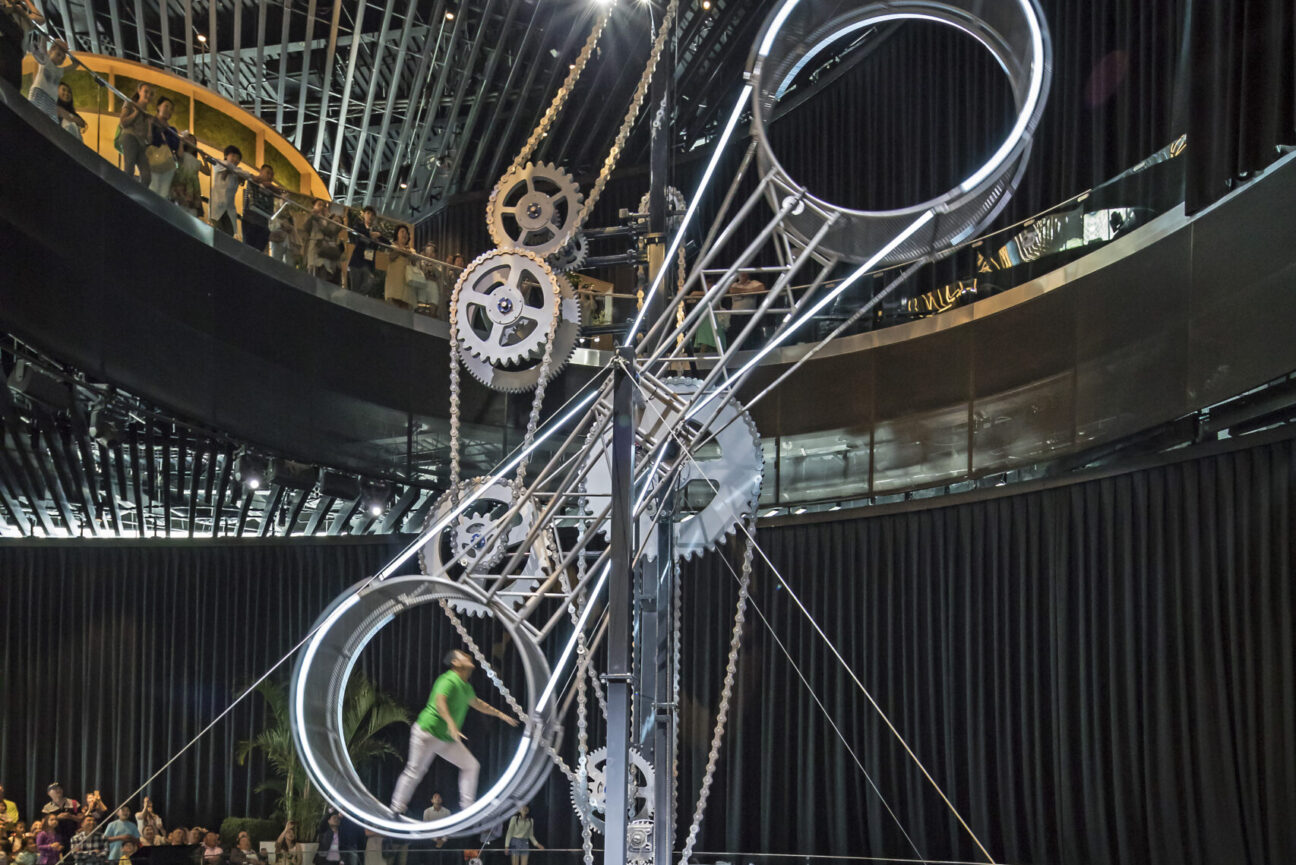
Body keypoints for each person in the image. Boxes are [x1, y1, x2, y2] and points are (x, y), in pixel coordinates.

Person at [388, 649, 518, 816]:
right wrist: (451, 724)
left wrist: (500, 714)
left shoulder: (465, 687)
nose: (468, 655)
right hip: (427, 733)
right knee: (414, 771)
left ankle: (467, 809)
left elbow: (478, 703)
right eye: (463, 655)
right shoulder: (448, 679)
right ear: (455, 663)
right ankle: (396, 808)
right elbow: (440, 702)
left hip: (445, 739)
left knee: (471, 766)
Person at [118, 83, 156, 185]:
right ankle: (125, 190)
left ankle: (139, 195)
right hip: (130, 137)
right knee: (129, 168)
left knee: (147, 175)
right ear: (139, 91)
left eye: (151, 93)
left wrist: (149, 124)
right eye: (146, 91)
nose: (148, 95)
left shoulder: (148, 114)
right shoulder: (130, 104)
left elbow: (149, 139)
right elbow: (123, 122)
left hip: (141, 144)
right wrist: (137, 112)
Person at [25, 37, 67, 124]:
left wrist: (76, 63)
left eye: (63, 58)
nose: (60, 59)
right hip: (40, 92)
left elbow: (71, 68)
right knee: (33, 116)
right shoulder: (46, 60)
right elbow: (42, 49)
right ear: (52, 49)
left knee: (50, 123)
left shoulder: (59, 71)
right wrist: (44, 38)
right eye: (58, 55)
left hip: (52, 100)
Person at [242, 164, 281, 253]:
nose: (270, 176)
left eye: (272, 175)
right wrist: (268, 185)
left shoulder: (271, 189)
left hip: (263, 224)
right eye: (268, 173)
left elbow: (280, 194)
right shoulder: (252, 180)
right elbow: (251, 178)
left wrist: (270, 186)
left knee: (258, 252)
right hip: (250, 220)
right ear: (261, 171)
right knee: (248, 249)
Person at [346, 206, 385, 297]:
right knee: (354, 287)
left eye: (372, 215)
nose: (370, 216)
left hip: (368, 264)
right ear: (364, 215)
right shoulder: (359, 226)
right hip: (356, 262)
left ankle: (356, 298)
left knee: (370, 281)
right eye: (368, 213)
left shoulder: (377, 231)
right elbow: (356, 233)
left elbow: (384, 241)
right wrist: (371, 235)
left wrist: (377, 238)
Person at [147, 97, 181, 198]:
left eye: (171, 109)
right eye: (166, 106)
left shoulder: (172, 130)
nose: (168, 110)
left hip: (167, 165)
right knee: (152, 188)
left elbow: (175, 146)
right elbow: (148, 139)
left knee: (164, 193)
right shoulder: (150, 122)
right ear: (158, 107)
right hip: (152, 160)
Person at [306, 199, 345, 285]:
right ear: (314, 207)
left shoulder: (331, 220)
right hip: (315, 255)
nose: (322, 207)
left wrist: (320, 219)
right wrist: (312, 216)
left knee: (324, 281)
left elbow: (331, 232)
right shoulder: (312, 218)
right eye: (319, 205)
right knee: (312, 281)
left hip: (327, 258)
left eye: (324, 205)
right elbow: (306, 228)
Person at [170, 132, 208, 218]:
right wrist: (181, 142)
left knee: (191, 211)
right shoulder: (182, 154)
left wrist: (203, 157)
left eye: (193, 140)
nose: (190, 141)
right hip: (182, 184)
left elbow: (207, 171)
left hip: (193, 188)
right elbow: (179, 155)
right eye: (188, 139)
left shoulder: (196, 161)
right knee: (179, 209)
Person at [209, 145, 245, 236]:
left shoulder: (238, 171)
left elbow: (243, 178)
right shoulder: (219, 164)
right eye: (233, 156)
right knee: (216, 232)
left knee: (229, 233)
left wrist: (235, 172)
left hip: (229, 208)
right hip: (217, 204)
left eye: (237, 158)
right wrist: (232, 171)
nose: (235, 159)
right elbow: (227, 167)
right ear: (226, 156)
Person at [726, 271, 764, 343]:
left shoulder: (754, 283)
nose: (742, 274)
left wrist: (742, 292)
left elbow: (761, 288)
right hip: (735, 316)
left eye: (745, 272)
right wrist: (750, 291)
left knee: (750, 337)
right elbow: (732, 290)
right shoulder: (734, 284)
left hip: (748, 315)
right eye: (741, 273)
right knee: (735, 338)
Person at [384, 225, 415, 309]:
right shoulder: (392, 246)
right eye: (402, 232)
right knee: (394, 302)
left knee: (405, 303)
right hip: (395, 279)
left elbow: (414, 260)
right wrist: (400, 250)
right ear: (397, 234)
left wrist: (408, 252)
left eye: (406, 233)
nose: (404, 234)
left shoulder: (411, 249)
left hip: (407, 280)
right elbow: (390, 257)